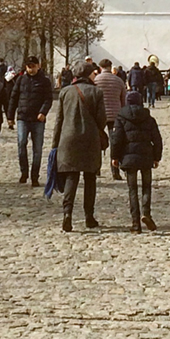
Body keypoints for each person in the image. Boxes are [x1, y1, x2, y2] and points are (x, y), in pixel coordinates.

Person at [52, 61, 108, 231]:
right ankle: (89, 216)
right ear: (88, 74)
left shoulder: (65, 92)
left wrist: (55, 145)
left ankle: (67, 213)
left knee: (71, 177)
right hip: (90, 140)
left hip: (68, 139)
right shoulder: (96, 92)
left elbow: (59, 121)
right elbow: (102, 119)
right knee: (90, 178)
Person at [110, 90, 163, 232]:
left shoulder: (121, 117)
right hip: (146, 156)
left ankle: (135, 223)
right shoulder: (149, 118)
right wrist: (157, 157)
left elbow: (116, 139)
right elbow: (157, 139)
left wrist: (114, 157)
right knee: (146, 187)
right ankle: (146, 213)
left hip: (128, 157)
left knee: (132, 190)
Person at [7, 54, 53, 185]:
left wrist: (43, 112)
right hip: (23, 117)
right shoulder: (21, 80)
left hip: (38, 119)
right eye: (29, 66)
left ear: (38, 66)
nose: (31, 69)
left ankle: (35, 176)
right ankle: (24, 172)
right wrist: (10, 116)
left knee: (37, 149)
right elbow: (13, 98)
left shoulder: (44, 81)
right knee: (21, 143)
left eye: (33, 66)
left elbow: (48, 99)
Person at [92, 59, 126, 179]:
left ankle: (96, 169)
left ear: (100, 68)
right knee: (115, 143)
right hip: (115, 115)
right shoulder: (118, 81)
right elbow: (123, 101)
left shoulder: (95, 81)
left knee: (97, 142)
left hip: (98, 115)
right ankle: (115, 170)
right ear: (111, 67)